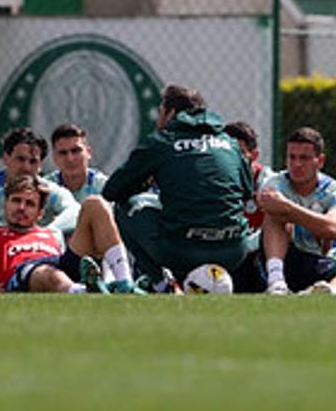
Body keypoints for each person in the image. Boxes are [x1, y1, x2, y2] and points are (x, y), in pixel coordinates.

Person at [102, 85, 257, 288]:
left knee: (123, 207)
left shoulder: (161, 142)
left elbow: (112, 191)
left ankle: (161, 284)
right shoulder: (230, 143)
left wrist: (143, 183)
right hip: (233, 252)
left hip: (182, 251)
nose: (158, 120)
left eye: (160, 112)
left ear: (171, 113)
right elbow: (247, 192)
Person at [0, 175, 137, 293]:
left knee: (95, 204)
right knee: (46, 273)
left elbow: (64, 264)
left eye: (30, 204)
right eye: (16, 201)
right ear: (5, 205)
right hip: (23, 276)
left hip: (58, 265)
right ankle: (85, 292)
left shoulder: (53, 233)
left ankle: (124, 282)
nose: (21, 208)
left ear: (40, 213)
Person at [256, 127, 336, 295]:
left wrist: (288, 208)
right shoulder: (274, 183)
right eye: (292, 157)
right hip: (285, 259)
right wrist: (292, 213)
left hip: (320, 261)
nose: (297, 164)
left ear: (320, 161)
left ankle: (325, 292)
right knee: (274, 214)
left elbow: (332, 228)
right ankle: (276, 283)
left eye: (304, 158)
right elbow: (267, 203)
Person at [49, 123, 108, 203]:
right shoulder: (46, 189)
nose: (70, 159)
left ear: (89, 153)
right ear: (54, 158)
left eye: (75, 151)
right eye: (63, 153)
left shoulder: (105, 187)